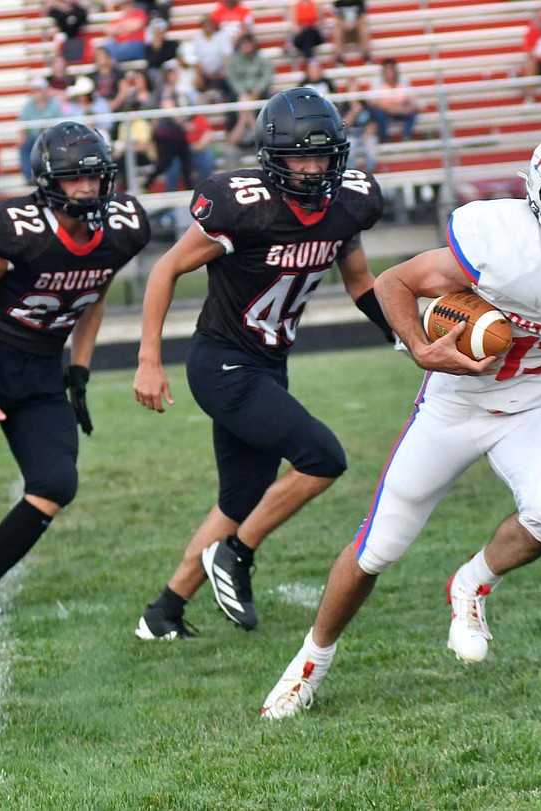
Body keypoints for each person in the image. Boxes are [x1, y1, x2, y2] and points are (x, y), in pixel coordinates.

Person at [260, 124, 541, 719]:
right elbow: (395, 281)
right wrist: (422, 351)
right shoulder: (502, 242)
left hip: (538, 406)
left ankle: (472, 582)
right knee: (377, 549)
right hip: (455, 405)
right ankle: (310, 662)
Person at [132, 87, 392, 641]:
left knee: (240, 498)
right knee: (322, 458)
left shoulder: (347, 204)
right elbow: (164, 270)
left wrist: (408, 339)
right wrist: (149, 358)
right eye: (301, 155)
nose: (314, 167)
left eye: (323, 155)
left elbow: (361, 283)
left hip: (269, 363)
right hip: (222, 362)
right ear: (273, 157)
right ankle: (237, 556)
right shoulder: (242, 206)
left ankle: (163, 613)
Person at [0, 122, 151, 623]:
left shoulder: (122, 228)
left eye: (95, 177)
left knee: (56, 482)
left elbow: (94, 296)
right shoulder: (13, 228)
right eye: (73, 178)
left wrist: (80, 369)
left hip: (43, 370)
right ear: (49, 180)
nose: (87, 188)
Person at [225, 33, 274, 145]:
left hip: (260, 93)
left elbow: (267, 77)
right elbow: (233, 79)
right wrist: (243, 93)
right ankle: (253, 126)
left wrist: (257, 90)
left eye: (248, 44)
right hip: (240, 94)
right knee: (242, 99)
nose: (246, 47)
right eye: (244, 44)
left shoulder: (263, 59)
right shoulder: (234, 61)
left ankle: (245, 121)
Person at [18, 78, 64, 182]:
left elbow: (60, 123)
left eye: (39, 90)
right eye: (35, 90)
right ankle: (30, 176)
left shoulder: (54, 104)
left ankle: (49, 173)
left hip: (51, 136)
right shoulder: (28, 106)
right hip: (33, 137)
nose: (37, 93)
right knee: (24, 145)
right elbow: (23, 123)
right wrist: (22, 136)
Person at [369, 57, 417, 143]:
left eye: (391, 68)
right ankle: (385, 138)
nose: (389, 71)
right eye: (387, 69)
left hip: (401, 110)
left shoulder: (403, 80)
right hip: (386, 112)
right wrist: (392, 109)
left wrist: (406, 108)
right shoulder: (377, 81)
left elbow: (411, 100)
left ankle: (406, 136)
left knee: (412, 112)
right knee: (378, 113)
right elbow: (374, 102)